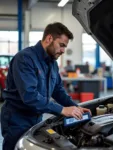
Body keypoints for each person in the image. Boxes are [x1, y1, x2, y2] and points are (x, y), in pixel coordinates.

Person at [1, 22, 91, 150]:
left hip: (37, 118)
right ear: (49, 39)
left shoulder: (52, 63)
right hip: (17, 119)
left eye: (65, 47)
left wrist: (76, 108)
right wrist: (62, 110)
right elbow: (30, 96)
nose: (63, 51)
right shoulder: (25, 58)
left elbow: (58, 91)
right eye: (61, 45)